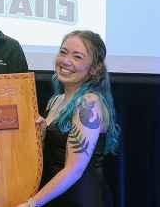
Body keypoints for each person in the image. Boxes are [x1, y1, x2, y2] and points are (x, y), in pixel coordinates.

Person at [18, 30, 120, 207]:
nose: (65, 61)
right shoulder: (55, 101)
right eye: (63, 52)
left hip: (80, 200)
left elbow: (74, 169)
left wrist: (32, 203)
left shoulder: (89, 103)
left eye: (77, 57)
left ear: (94, 69)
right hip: (53, 198)